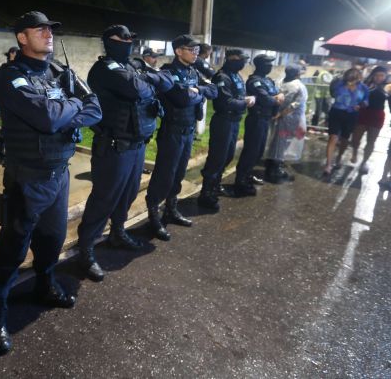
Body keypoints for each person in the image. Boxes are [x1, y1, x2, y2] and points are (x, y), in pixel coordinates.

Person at [0, 11, 101, 355]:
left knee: (53, 238)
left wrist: (64, 109)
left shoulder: (60, 72)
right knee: (14, 244)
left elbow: (95, 108)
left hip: (59, 173)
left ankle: (44, 284)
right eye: (40, 29)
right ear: (22, 37)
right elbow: (46, 118)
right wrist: (68, 108)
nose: (48, 34)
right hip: (28, 177)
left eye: (50, 29)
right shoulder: (11, 77)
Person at [76, 24, 173, 282]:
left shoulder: (133, 67)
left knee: (128, 194)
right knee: (104, 199)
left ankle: (117, 232)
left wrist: (147, 78)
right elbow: (137, 90)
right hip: (113, 146)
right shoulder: (104, 69)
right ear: (109, 41)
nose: (129, 42)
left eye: (132, 38)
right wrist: (149, 80)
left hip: (137, 144)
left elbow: (168, 80)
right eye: (123, 38)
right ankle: (85, 248)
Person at [144, 35, 217, 239]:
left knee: (178, 174)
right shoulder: (168, 72)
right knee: (164, 175)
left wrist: (197, 90)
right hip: (172, 131)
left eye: (196, 50)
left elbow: (214, 90)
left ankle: (171, 208)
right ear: (178, 51)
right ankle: (153, 216)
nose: (195, 53)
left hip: (188, 132)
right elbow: (182, 98)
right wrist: (194, 93)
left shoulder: (192, 71)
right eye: (191, 50)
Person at [196, 48, 256, 212]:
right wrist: (245, 102)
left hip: (234, 121)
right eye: (241, 59)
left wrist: (243, 101)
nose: (243, 62)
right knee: (217, 158)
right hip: (224, 121)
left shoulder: (236, 76)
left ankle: (216, 185)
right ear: (232, 58)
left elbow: (237, 97)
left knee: (228, 156)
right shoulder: (222, 77)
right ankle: (206, 193)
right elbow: (225, 102)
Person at [233, 54, 285, 197]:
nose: (270, 67)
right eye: (267, 64)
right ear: (259, 65)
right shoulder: (254, 81)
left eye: (271, 64)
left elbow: (275, 95)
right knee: (251, 151)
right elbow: (265, 99)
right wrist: (276, 98)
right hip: (256, 119)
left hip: (266, 119)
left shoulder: (268, 80)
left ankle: (248, 175)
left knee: (259, 151)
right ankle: (241, 181)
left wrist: (276, 98)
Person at [264, 64, 307, 183]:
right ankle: (275, 169)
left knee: (275, 141)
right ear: (298, 74)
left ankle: (271, 165)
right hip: (289, 118)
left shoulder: (279, 82)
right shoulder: (299, 86)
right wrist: (281, 114)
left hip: (277, 116)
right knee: (282, 143)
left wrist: (277, 113)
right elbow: (295, 104)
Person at [323, 68, 369, 176]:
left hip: (352, 115)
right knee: (333, 137)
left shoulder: (363, 88)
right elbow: (333, 94)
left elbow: (366, 102)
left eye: (354, 79)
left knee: (345, 139)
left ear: (359, 78)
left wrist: (360, 105)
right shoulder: (338, 84)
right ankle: (328, 165)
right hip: (336, 112)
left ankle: (339, 157)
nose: (351, 81)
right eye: (349, 78)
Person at [349, 66, 391, 173]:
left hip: (377, 115)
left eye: (382, 75)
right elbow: (357, 97)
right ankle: (354, 152)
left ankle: (364, 161)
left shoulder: (388, 86)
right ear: (373, 75)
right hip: (363, 113)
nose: (379, 77)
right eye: (377, 75)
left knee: (371, 141)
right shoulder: (366, 84)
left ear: (385, 76)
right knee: (355, 138)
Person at [0, 46, 19, 164]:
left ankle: (12, 155)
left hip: (19, 103)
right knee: (5, 130)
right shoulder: (4, 68)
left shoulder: (21, 67)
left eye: (16, 52)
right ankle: (0, 153)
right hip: (7, 103)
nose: (14, 54)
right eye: (12, 53)